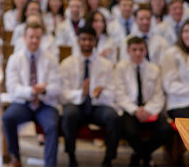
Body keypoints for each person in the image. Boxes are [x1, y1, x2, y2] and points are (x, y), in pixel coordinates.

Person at [2, 21, 61, 167]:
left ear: (42, 39)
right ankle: (15, 158)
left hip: (45, 103)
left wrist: (44, 90)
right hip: (24, 102)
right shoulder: (15, 59)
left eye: (38, 37)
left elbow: (57, 87)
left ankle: (50, 164)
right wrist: (32, 91)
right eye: (31, 37)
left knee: (52, 125)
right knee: (8, 118)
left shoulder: (51, 59)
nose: (34, 40)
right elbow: (12, 88)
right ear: (24, 37)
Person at [60, 26, 120, 167]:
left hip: (97, 105)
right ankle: (71, 156)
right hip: (76, 105)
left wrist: (100, 93)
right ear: (78, 41)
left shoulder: (106, 64)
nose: (87, 43)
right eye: (83, 39)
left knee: (113, 117)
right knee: (68, 114)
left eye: (90, 40)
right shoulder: (67, 63)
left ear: (95, 41)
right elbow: (62, 94)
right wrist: (81, 93)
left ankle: (108, 159)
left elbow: (112, 92)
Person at [114, 36, 173, 167]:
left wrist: (148, 110)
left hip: (150, 109)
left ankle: (139, 155)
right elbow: (120, 94)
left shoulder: (154, 68)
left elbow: (158, 96)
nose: (138, 53)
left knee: (166, 129)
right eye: (134, 50)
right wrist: (135, 110)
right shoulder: (120, 68)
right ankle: (146, 157)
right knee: (129, 131)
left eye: (141, 49)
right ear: (128, 51)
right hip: (130, 109)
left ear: (146, 51)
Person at [161, 20, 189, 120]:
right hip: (179, 103)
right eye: (186, 31)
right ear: (181, 34)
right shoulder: (171, 53)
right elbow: (169, 85)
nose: (188, 34)